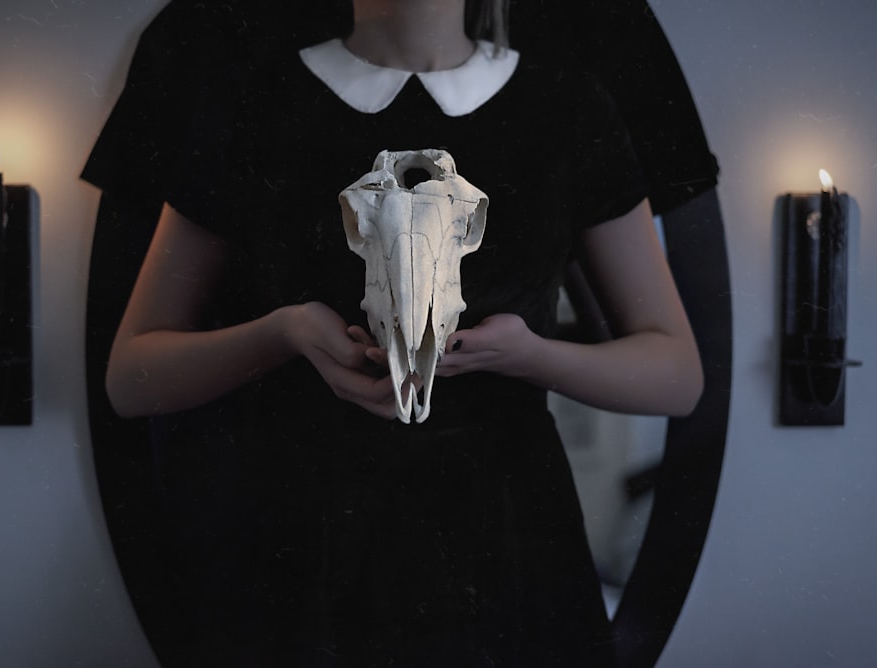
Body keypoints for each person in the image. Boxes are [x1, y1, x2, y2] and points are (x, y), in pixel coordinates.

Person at [85, 0, 703, 665]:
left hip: (511, 548)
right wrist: (282, 333)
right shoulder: (251, 101)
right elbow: (131, 376)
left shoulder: (568, 107)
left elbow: (676, 374)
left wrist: (531, 356)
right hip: (300, 555)